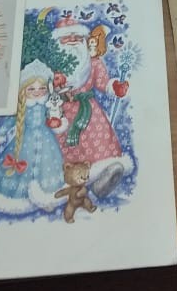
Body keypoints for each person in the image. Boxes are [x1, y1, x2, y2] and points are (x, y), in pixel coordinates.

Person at [52, 17, 129, 193]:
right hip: (62, 114)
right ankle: (74, 182)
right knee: (67, 148)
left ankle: (104, 176)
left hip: (89, 111)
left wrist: (115, 87)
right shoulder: (53, 65)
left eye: (77, 37)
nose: (73, 40)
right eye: (67, 37)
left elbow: (103, 82)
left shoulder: (92, 62)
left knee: (99, 140)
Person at [0, 73, 68, 217]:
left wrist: (57, 122)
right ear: (24, 90)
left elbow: (56, 116)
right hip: (25, 141)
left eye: (41, 88)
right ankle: (21, 196)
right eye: (32, 89)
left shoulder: (47, 104)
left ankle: (47, 197)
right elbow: (10, 121)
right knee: (22, 166)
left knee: (47, 167)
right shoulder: (23, 107)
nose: (37, 92)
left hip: (47, 141)